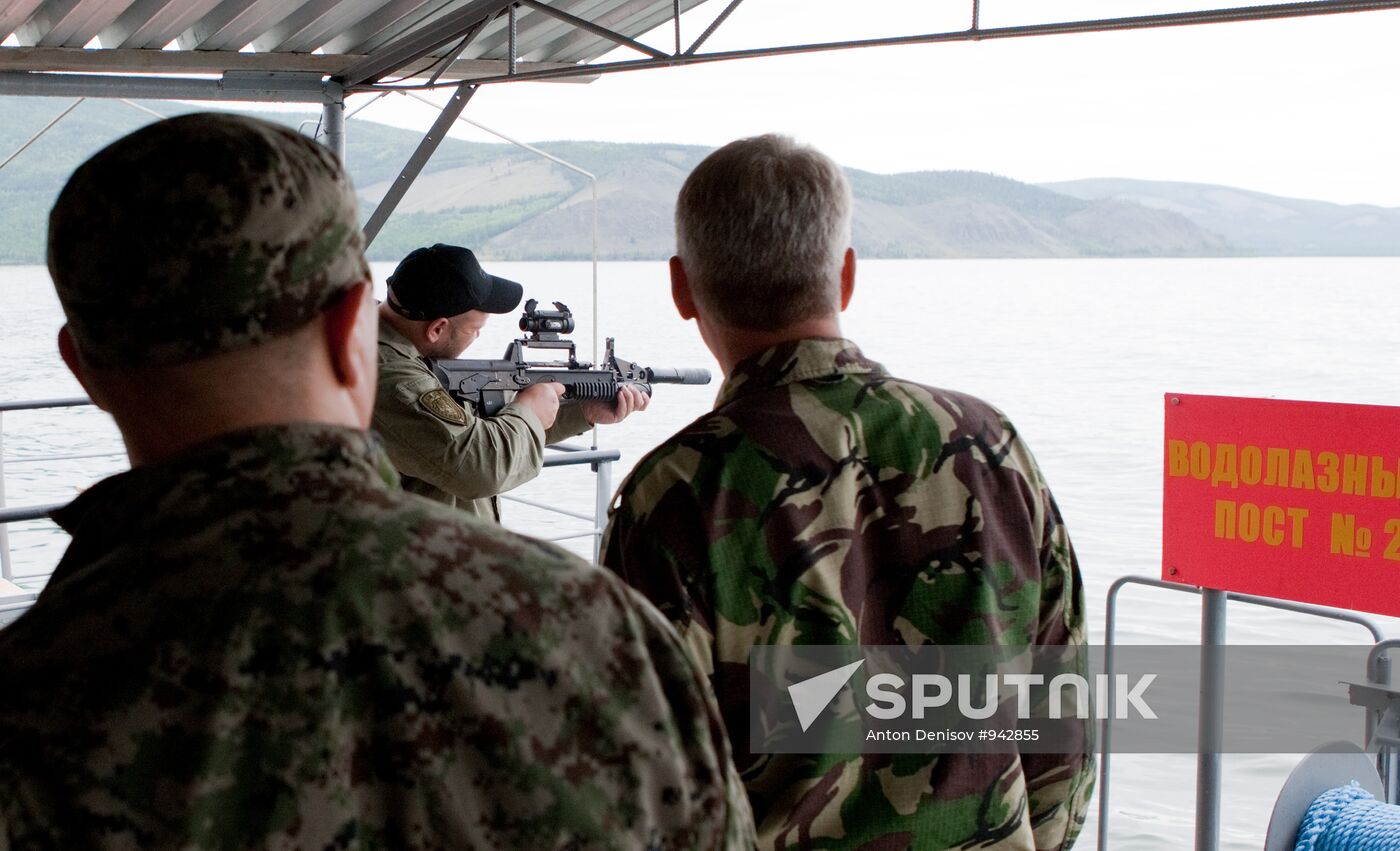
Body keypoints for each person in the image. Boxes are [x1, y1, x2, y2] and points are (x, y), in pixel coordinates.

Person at [0, 113, 753, 850]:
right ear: (351, 328)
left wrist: (566, 415)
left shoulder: (33, 693)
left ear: (81, 366)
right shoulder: (597, 633)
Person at [600, 134, 1093, 851]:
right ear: (847, 277)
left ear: (680, 287)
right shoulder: (992, 446)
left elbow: (639, 780)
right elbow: (1063, 723)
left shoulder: (677, 495)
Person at [373, 244, 646, 521]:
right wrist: (528, 411)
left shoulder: (379, 342)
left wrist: (582, 412)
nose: (476, 338)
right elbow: (479, 466)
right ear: (437, 329)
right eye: (475, 329)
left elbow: (475, 428)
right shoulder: (393, 376)